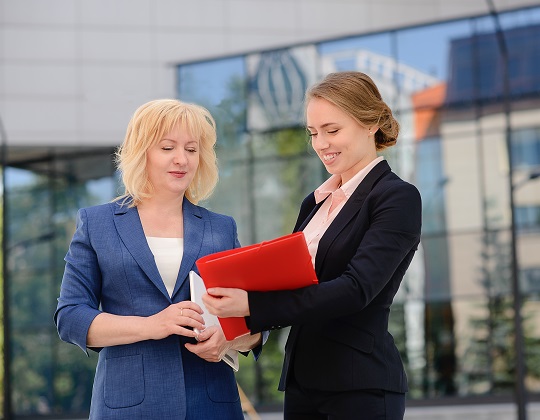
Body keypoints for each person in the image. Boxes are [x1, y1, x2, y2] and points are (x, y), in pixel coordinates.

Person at [203, 71, 422, 420]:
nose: (321, 144)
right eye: (313, 133)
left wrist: (253, 304)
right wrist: (239, 328)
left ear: (369, 124)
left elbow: (355, 290)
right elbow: (292, 288)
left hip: (358, 387)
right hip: (303, 382)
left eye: (332, 130)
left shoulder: (396, 198)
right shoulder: (315, 203)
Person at [54, 99, 263, 419]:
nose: (182, 159)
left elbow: (255, 318)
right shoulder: (97, 223)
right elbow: (70, 317)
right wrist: (153, 325)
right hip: (127, 407)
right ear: (142, 152)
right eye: (168, 147)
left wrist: (229, 338)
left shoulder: (221, 229)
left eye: (192, 150)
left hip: (210, 405)